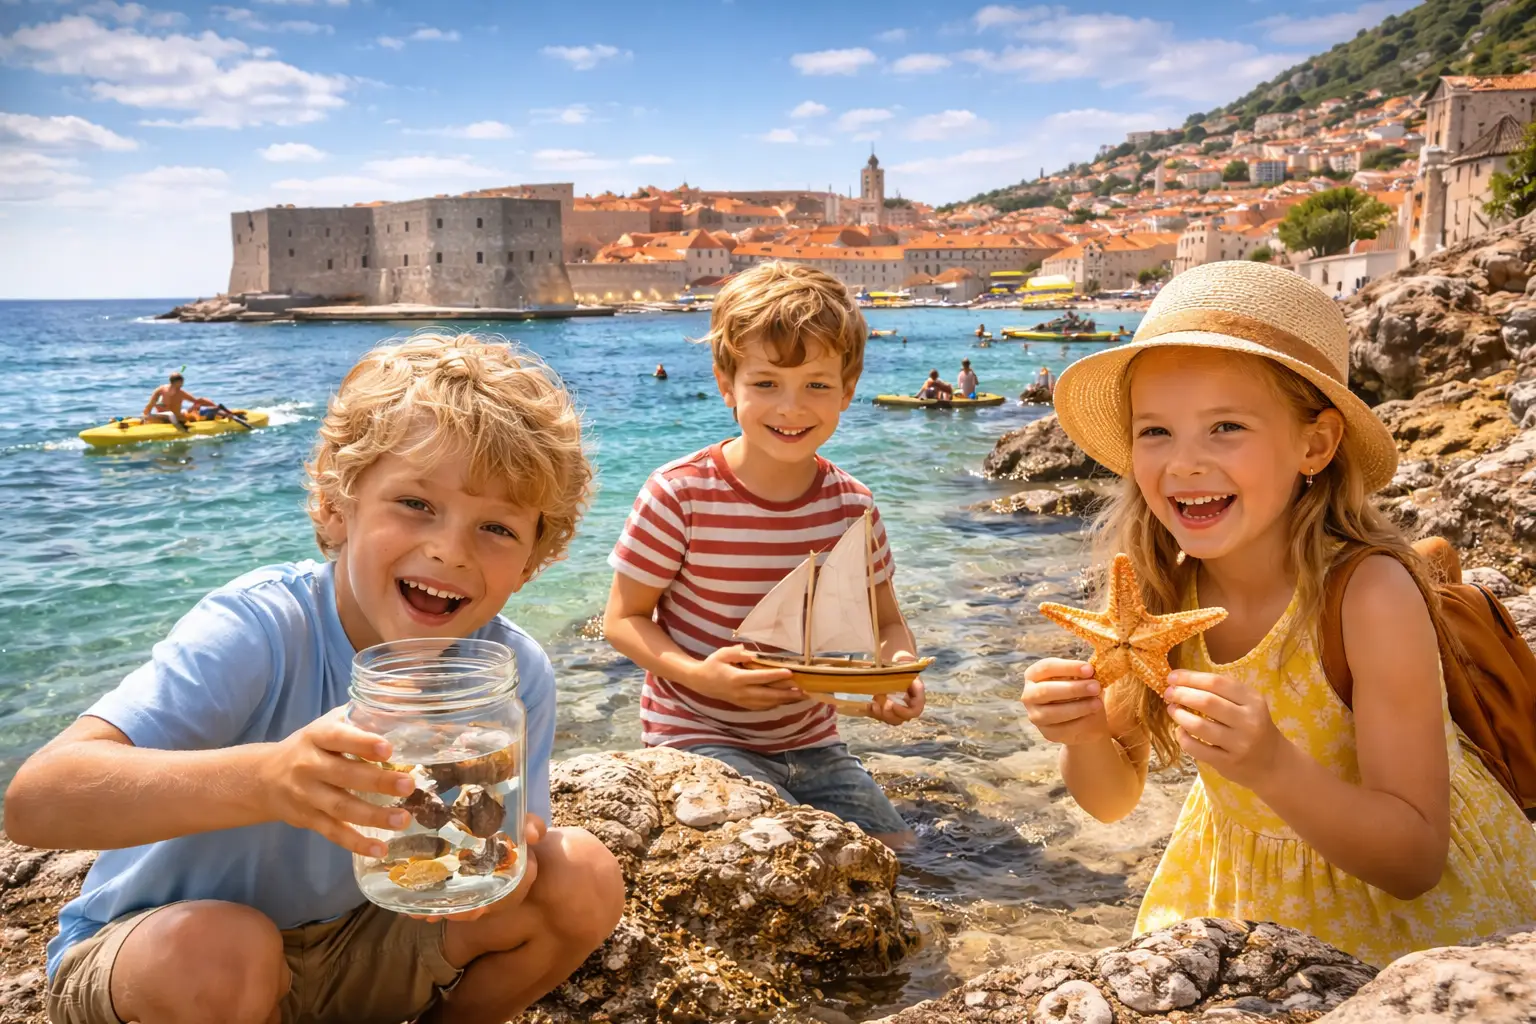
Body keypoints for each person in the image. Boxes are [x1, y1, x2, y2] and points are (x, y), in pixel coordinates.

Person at [8, 336, 626, 1024]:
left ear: (535, 561)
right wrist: (268, 779)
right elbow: (36, 800)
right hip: (169, 964)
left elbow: (505, 861)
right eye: (416, 504)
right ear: (338, 506)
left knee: (579, 877)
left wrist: (490, 858)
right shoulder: (264, 629)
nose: (449, 549)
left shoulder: (506, 674)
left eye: (496, 528)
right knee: (222, 953)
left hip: (359, 939)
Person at [1019, 261, 1536, 968]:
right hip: (1235, 890)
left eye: (1225, 427)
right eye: (1156, 432)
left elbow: (1414, 860)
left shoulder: (1368, 594)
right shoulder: (1156, 593)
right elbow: (1112, 801)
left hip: (1403, 918)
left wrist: (1271, 766)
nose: (1184, 464)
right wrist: (1081, 737)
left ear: (1315, 446)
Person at [603, 261, 926, 849]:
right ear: (728, 385)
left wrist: (894, 677)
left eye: (817, 385)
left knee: (901, 854)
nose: (792, 407)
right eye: (767, 383)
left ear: (848, 390)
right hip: (697, 732)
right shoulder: (680, 494)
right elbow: (623, 621)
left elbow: (886, 622)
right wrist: (702, 677)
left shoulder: (853, 505)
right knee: (779, 850)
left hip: (812, 741)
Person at [143, 372, 216, 428]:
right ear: (177, 382)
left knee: (188, 411)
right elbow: (151, 403)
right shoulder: (163, 390)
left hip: (173, 418)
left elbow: (197, 401)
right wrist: (146, 415)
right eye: (181, 383)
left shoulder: (179, 393)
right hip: (167, 418)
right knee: (174, 414)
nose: (182, 385)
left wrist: (214, 406)